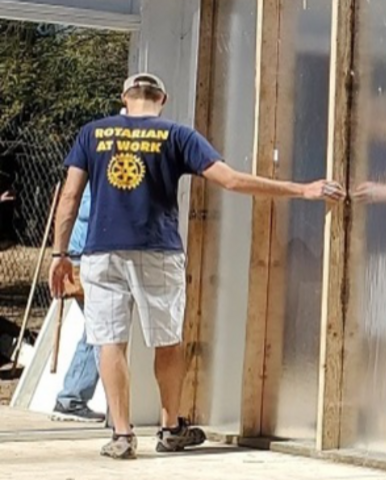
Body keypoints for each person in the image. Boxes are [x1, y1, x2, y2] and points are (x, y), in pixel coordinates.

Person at [48, 73, 345, 460]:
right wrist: (301, 189)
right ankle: (170, 428)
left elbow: (70, 195)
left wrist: (59, 255)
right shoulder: (178, 135)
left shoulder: (93, 133)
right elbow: (232, 181)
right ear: (163, 99)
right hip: (158, 249)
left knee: (109, 341)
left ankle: (122, 435)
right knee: (167, 339)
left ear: (124, 97)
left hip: (102, 252)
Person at [51, 185, 105, 423]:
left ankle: (72, 397)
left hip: (79, 252)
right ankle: (72, 397)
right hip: (86, 255)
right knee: (101, 329)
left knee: (95, 328)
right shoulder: (100, 176)